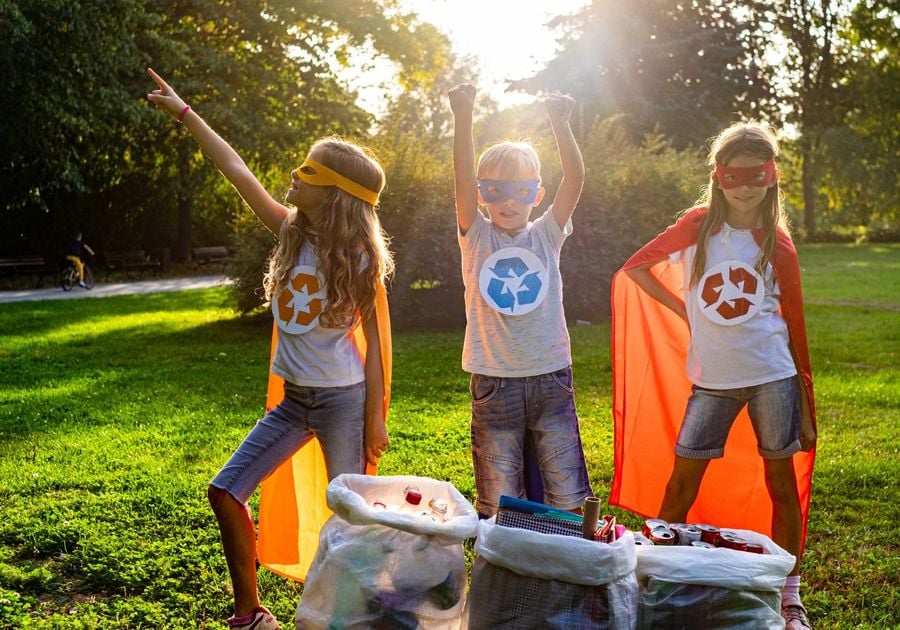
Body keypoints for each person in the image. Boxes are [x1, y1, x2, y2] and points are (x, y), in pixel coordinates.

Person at [147, 68, 393, 630]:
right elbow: (233, 167)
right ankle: (252, 614)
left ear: (334, 193)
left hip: (342, 402)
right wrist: (186, 113)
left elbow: (375, 346)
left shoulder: (358, 257)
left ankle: (375, 609)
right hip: (294, 401)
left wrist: (374, 418)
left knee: (353, 513)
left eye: (308, 171)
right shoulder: (289, 231)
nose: (292, 174)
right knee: (225, 491)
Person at [612, 121, 816, 629]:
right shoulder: (698, 228)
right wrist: (682, 309)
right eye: (733, 175)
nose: (745, 185)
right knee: (681, 482)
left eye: (757, 174)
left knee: (781, 484)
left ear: (772, 177)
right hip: (713, 382)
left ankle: (789, 594)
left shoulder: (779, 244)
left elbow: (796, 327)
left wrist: (808, 409)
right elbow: (636, 267)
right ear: (718, 176)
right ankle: (651, 579)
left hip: (774, 376)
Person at [448, 82, 592, 518]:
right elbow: (460, 175)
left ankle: (576, 575)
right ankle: (505, 582)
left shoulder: (547, 233)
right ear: (479, 194)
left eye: (521, 192)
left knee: (569, 497)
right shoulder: (476, 235)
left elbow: (576, 178)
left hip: (551, 379)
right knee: (497, 502)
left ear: (537, 195)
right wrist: (463, 117)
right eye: (494, 191)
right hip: (495, 384)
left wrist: (559, 123)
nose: (508, 201)